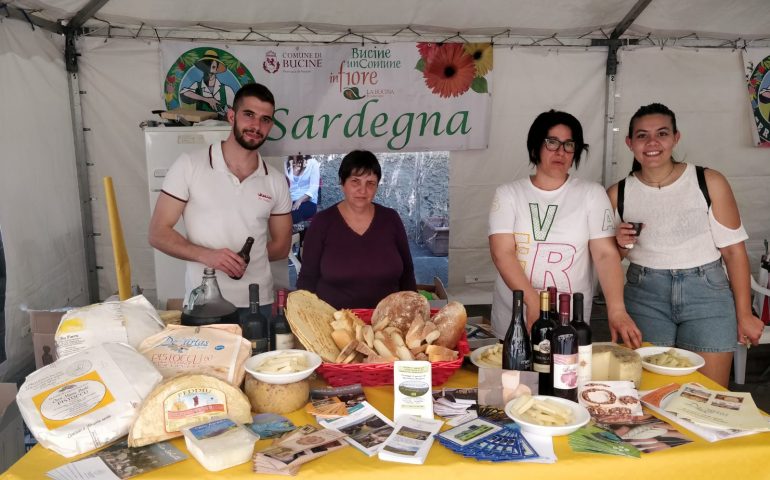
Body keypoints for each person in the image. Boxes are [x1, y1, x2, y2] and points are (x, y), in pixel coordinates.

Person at [607, 102, 764, 387]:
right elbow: (608, 260)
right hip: (645, 295)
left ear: (675, 138)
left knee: (707, 396)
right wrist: (621, 244)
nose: (652, 142)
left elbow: (733, 252)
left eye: (662, 133)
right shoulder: (619, 193)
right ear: (630, 143)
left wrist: (744, 313)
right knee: (650, 394)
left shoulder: (708, 181)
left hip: (708, 295)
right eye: (642, 136)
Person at [488, 110, 640, 347]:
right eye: (552, 142)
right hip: (516, 317)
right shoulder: (509, 194)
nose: (560, 151)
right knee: (515, 381)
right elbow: (502, 253)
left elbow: (605, 254)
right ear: (535, 146)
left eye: (569, 144)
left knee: (565, 381)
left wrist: (617, 310)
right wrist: (534, 303)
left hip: (571, 322)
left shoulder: (591, 194)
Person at [149, 83, 292, 312]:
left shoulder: (274, 180)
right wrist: (207, 256)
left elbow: (282, 246)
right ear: (232, 116)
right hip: (205, 302)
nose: (256, 126)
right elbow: (158, 233)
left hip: (258, 303)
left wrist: (249, 259)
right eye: (249, 115)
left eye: (265, 119)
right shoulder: (191, 164)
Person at [297, 150, 416, 309]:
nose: (363, 190)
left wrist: (414, 314)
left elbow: (407, 274)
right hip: (334, 326)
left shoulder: (391, 219)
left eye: (370, 183)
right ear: (342, 183)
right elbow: (307, 279)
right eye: (355, 181)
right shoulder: (322, 222)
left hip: (387, 326)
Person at [179, 50, 236, 116]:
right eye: (207, 67)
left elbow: (234, 111)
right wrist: (207, 99)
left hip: (222, 125)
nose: (210, 71)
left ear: (217, 69)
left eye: (213, 67)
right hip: (201, 125)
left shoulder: (227, 89)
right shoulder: (197, 85)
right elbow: (184, 93)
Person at [285, 154, 320, 224]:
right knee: (279, 215)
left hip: (308, 201)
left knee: (290, 217)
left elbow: (314, 186)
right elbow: (290, 186)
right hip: (291, 201)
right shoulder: (287, 163)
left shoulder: (312, 162)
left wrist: (299, 200)